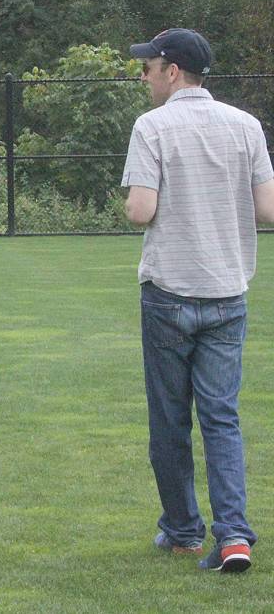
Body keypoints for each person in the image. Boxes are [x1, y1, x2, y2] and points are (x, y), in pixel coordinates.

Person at [122, 28, 274, 573]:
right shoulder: (246, 125)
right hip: (229, 292)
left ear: (171, 71)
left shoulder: (152, 127)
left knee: (169, 420)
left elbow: (141, 211)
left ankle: (183, 531)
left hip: (169, 293)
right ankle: (233, 535)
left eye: (148, 67)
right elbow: (268, 210)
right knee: (222, 418)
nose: (143, 76)